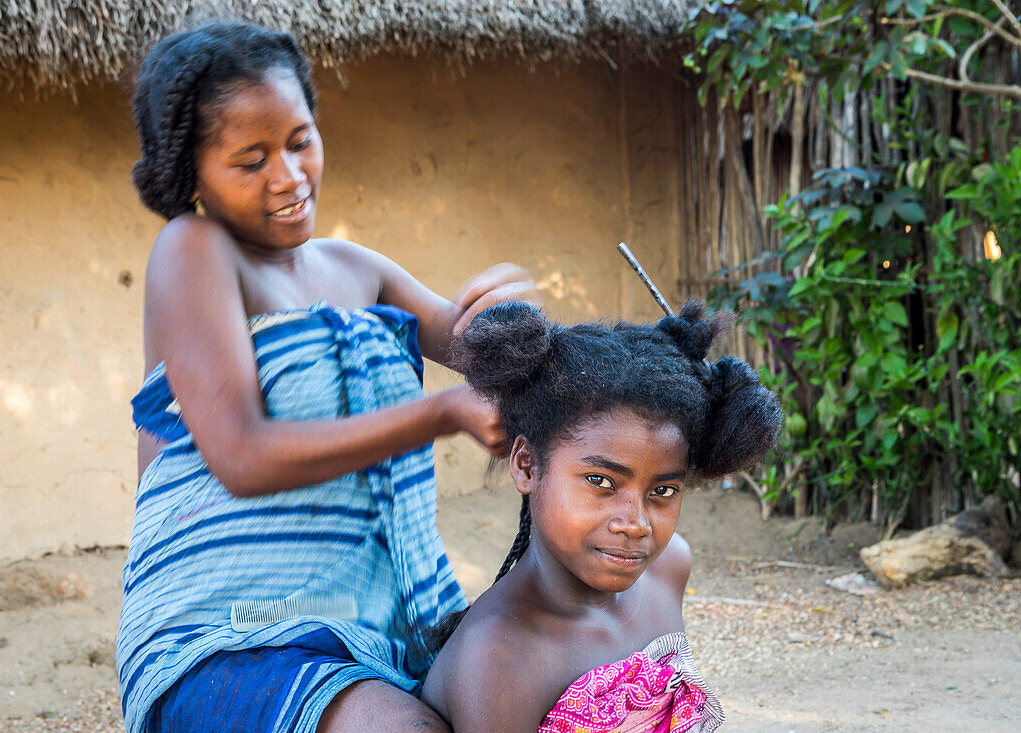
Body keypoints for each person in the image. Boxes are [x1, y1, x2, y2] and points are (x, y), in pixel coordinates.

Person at [116, 22, 534, 733]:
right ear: (192, 174)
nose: (287, 176)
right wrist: (442, 413)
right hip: (233, 637)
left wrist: (511, 322)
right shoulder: (193, 252)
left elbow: (473, 345)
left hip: (387, 628)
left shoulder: (356, 268)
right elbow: (243, 455)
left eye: (300, 141)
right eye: (250, 161)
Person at [421, 300, 783, 732]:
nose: (635, 523)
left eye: (663, 491)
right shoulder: (498, 655)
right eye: (601, 482)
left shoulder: (668, 568)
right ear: (527, 465)